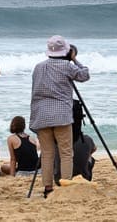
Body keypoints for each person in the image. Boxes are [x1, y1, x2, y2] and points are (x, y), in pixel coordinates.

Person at [29, 36, 89, 198]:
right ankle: (65, 186)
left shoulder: (38, 67)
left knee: (47, 153)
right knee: (66, 152)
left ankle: (48, 188)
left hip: (41, 115)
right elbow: (85, 75)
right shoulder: (67, 66)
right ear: (66, 51)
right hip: (61, 115)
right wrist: (74, 59)